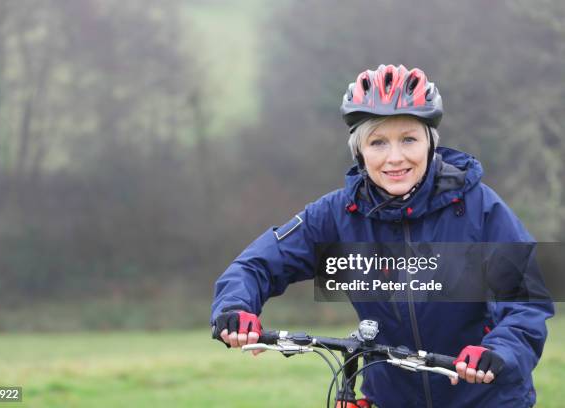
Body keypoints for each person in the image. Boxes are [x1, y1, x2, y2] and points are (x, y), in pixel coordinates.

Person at [210, 64, 553, 407]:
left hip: (485, 398)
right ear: (359, 152)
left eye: (408, 139)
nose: (395, 158)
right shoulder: (336, 215)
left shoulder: (479, 208)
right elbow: (256, 265)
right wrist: (236, 307)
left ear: (430, 144)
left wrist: (499, 351)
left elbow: (526, 302)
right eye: (378, 142)